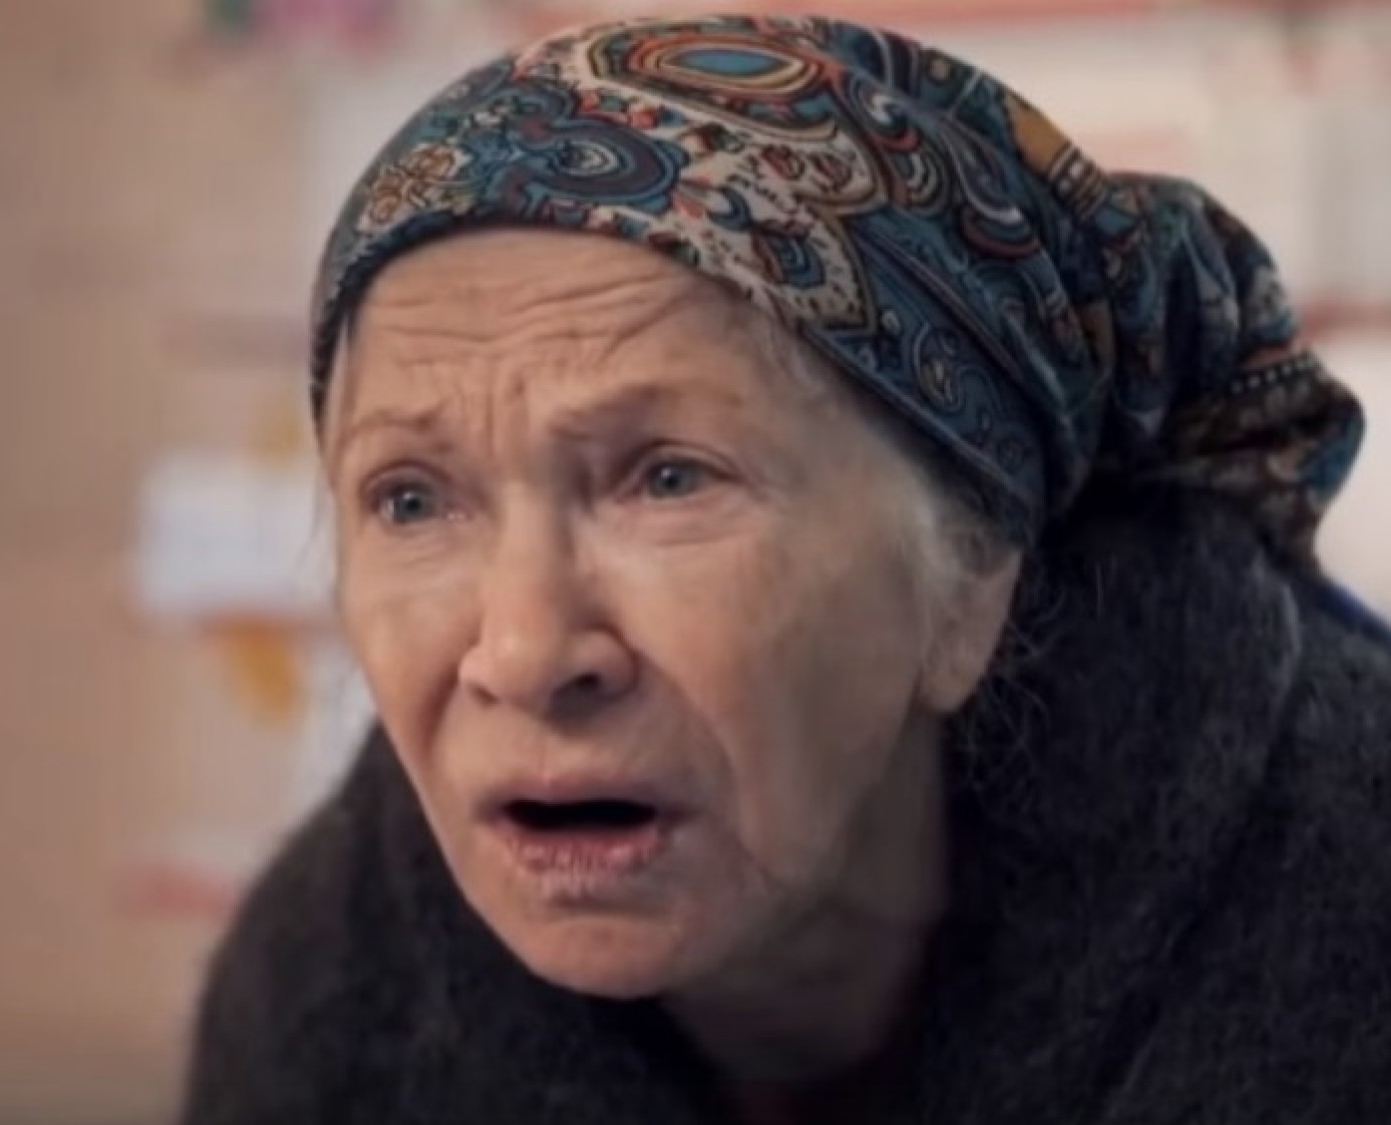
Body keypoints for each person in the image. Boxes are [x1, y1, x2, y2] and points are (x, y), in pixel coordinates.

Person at [181, 14, 1391, 1124]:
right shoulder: (325, 990)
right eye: (409, 499)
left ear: (973, 573)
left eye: (669, 479)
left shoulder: (1351, 896)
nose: (527, 652)